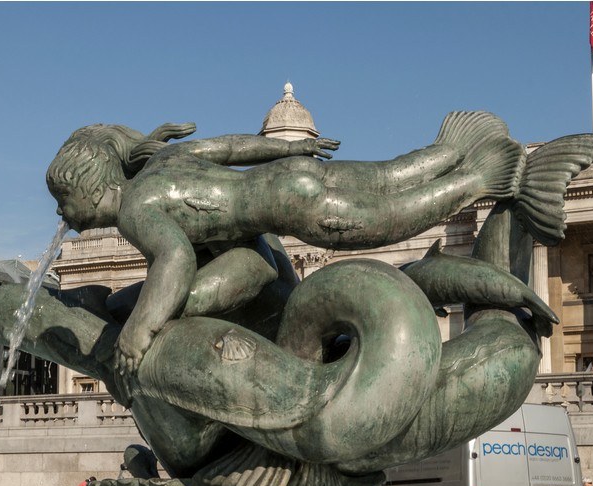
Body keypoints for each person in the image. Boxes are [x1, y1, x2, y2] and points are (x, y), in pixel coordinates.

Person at [46, 112, 526, 379]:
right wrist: (290, 148)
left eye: (64, 202)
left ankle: (479, 177)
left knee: (387, 221)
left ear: (90, 189)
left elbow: (175, 258)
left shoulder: (135, 209)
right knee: (384, 178)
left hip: (293, 210)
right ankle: (450, 149)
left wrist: (138, 332)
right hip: (285, 179)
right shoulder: (163, 164)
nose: (62, 215)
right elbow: (231, 149)